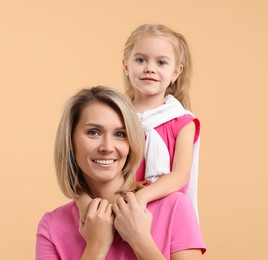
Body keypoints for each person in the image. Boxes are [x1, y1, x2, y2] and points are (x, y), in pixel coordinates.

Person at [35, 86, 206, 259]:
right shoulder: (52, 226)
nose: (107, 147)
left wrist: (140, 239)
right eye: (93, 132)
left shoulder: (174, 206)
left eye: (120, 134)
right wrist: (95, 247)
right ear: (70, 141)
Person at [122, 24, 201, 219]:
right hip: (122, 207)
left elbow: (180, 175)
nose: (150, 68)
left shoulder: (182, 121)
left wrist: (143, 197)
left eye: (161, 63)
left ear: (176, 72)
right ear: (126, 66)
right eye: (140, 60)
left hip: (166, 211)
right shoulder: (116, 116)